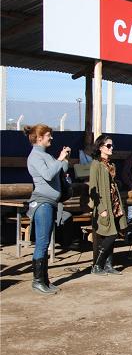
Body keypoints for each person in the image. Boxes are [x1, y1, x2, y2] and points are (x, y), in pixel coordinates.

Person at [24, 124, 70, 294]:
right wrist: (59, 159)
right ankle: (38, 281)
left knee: (45, 242)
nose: (51, 138)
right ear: (39, 138)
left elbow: (60, 170)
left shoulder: (46, 155)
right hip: (42, 203)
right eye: (48, 135)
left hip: (50, 203)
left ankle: (44, 280)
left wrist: (64, 160)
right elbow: (48, 175)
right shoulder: (35, 156)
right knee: (42, 243)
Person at [88, 134, 128, 276]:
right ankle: (97, 265)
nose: (111, 148)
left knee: (112, 234)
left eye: (112, 145)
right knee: (111, 234)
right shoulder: (96, 165)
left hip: (114, 205)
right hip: (104, 206)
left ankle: (108, 265)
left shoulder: (110, 165)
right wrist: (101, 208)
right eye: (108, 146)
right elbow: (93, 188)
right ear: (100, 147)